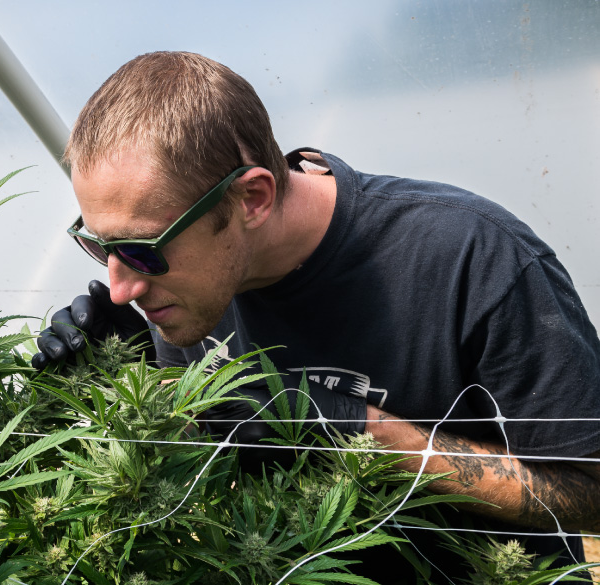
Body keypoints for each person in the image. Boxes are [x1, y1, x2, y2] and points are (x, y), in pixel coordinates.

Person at [31, 51, 600, 580]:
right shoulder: (181, 288)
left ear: (251, 198)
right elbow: (207, 473)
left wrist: (350, 426)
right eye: (100, 245)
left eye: (142, 250)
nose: (122, 284)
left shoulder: (472, 257)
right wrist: (129, 383)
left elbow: (590, 494)